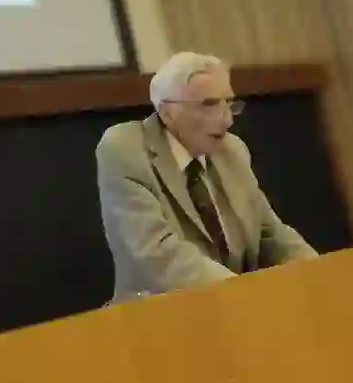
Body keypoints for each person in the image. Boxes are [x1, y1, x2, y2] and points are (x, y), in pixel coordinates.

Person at [96, 51, 318, 302]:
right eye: (209, 105)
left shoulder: (232, 150)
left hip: (236, 304)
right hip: (161, 312)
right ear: (167, 112)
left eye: (229, 104)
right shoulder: (125, 148)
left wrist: (318, 272)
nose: (227, 120)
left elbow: (270, 233)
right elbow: (158, 254)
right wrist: (245, 294)